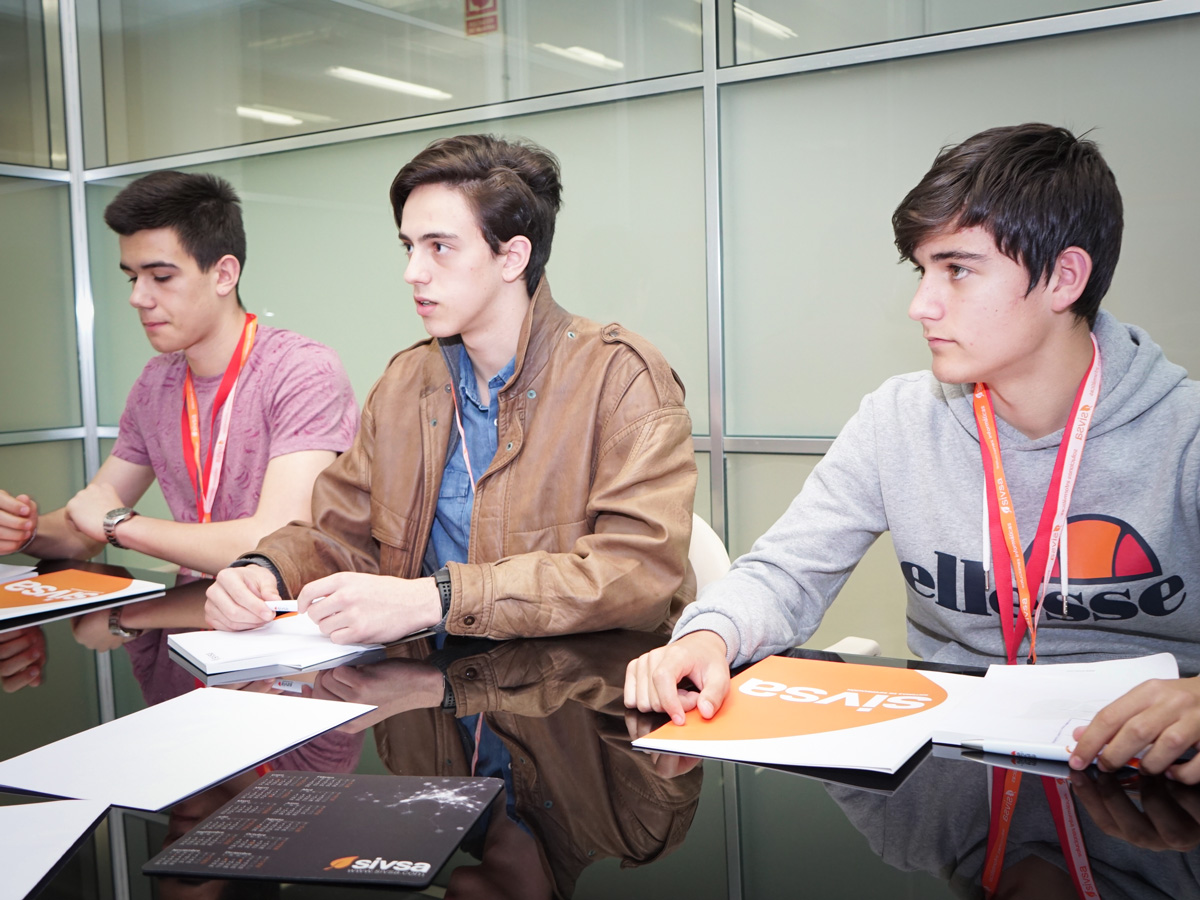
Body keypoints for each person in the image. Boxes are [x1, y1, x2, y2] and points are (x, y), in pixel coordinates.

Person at [625, 123, 1200, 783]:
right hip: (957, 770)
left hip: (1149, 781)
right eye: (924, 270)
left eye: (957, 270)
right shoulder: (899, 419)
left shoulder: (1185, 435)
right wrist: (709, 634)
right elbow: (787, 572)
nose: (921, 305)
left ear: (1065, 278)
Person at [204, 133, 697, 643]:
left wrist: (437, 598)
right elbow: (340, 535)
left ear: (512, 258)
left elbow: (636, 572)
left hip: (584, 695)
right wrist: (265, 569)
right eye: (409, 247)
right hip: (434, 695)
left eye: (439, 247)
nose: (412, 272)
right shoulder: (404, 384)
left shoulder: (621, 379)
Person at [0, 170, 359, 648]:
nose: (137, 298)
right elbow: (83, 526)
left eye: (161, 277)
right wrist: (24, 533)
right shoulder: (157, 381)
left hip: (289, 639)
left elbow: (272, 543)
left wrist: (119, 524)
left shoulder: (301, 369)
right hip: (195, 625)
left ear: (224, 274)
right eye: (132, 277)